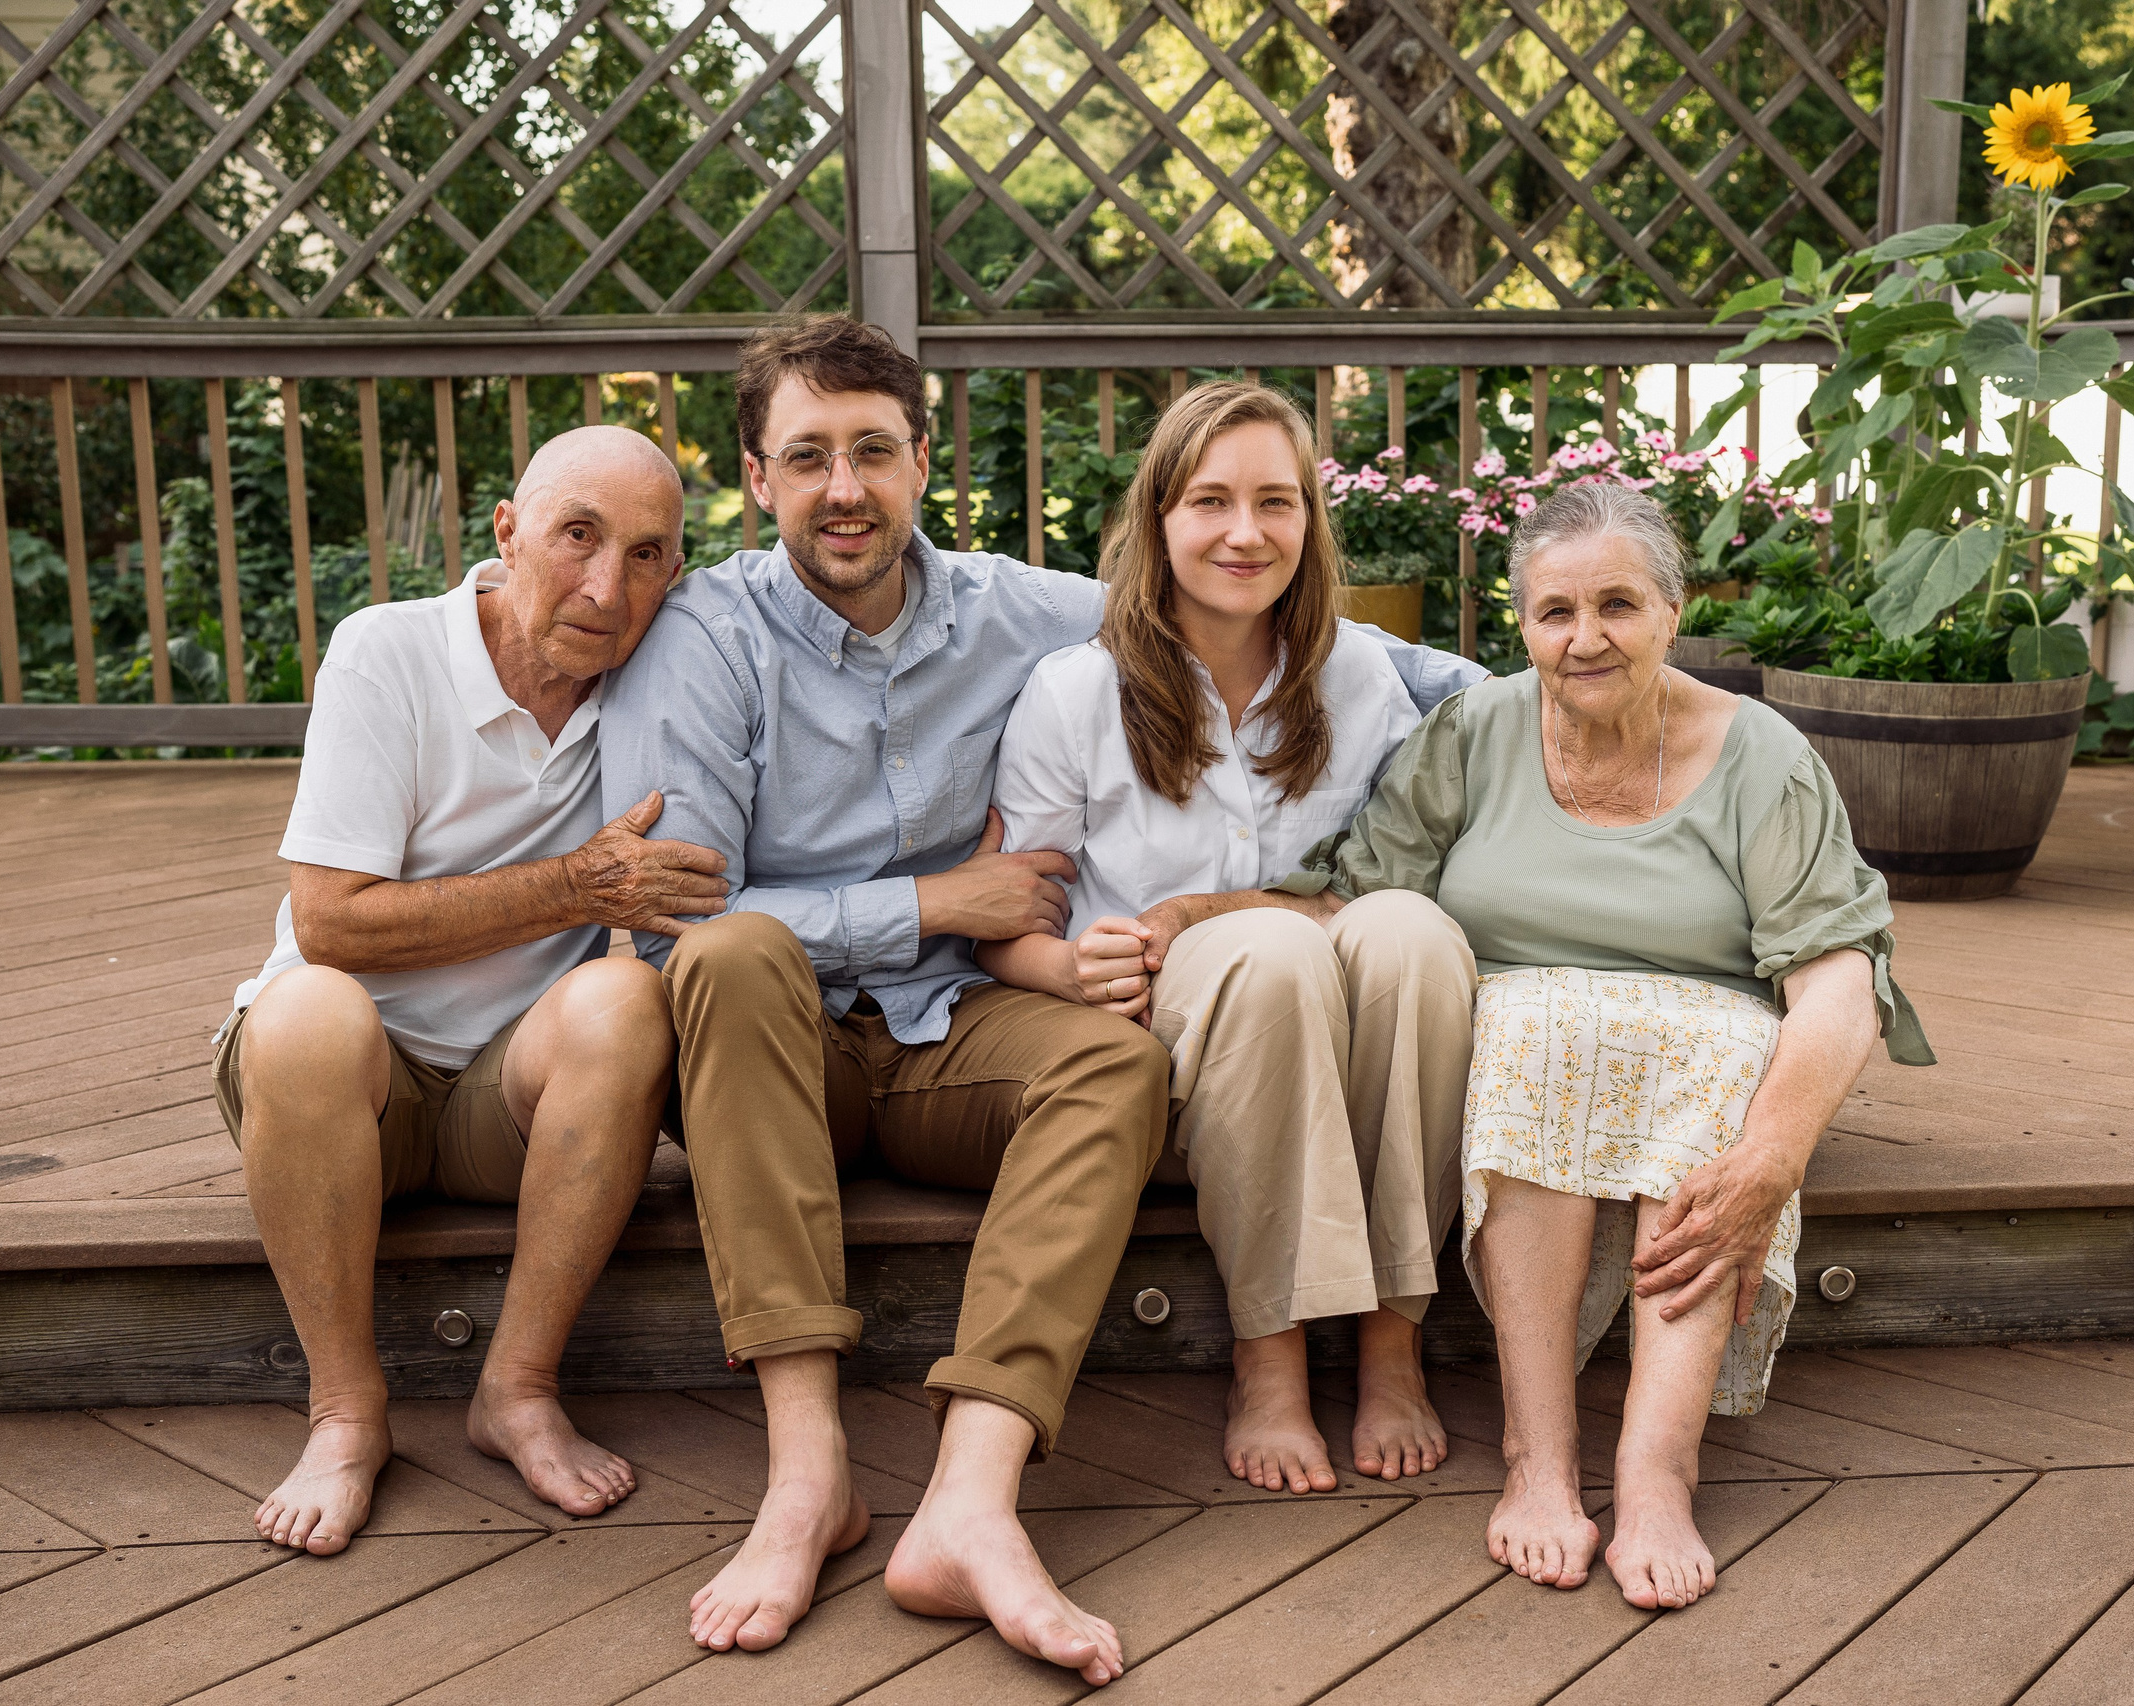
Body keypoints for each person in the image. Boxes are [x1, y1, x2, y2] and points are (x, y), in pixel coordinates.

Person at [600, 317, 1478, 1685]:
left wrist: (1585, 685)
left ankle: (971, 1495)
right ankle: (806, 1475)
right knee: (733, 954)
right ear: (757, 476)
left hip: (956, 1028)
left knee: (1115, 1062)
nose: (846, 487)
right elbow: (684, 919)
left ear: (922, 460)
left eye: (874, 450)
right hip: (777, 1051)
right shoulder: (704, 637)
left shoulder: (1021, 608)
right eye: (809, 456)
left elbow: (1260, 616)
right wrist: (936, 902)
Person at [1278, 481, 1933, 1613]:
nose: (1585, 637)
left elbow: (1838, 977)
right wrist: (1189, 924)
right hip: (1520, 1042)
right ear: (1523, 625)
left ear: (1675, 614)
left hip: (1705, 1056)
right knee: (1539, 1028)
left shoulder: (1762, 756)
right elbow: (1358, 899)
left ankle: (1657, 1470)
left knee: (1726, 1049)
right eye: (1556, 612)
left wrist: (1774, 1156)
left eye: (1618, 605)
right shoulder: (1472, 732)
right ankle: (1537, 1457)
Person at [220, 426, 731, 1556]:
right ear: (507, 532)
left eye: (647, 555)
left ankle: (518, 1388)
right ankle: (346, 1412)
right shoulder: (387, 650)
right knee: (306, 1009)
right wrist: (574, 887)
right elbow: (330, 922)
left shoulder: (664, 679)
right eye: (577, 536)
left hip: (511, 1097)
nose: (607, 588)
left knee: (625, 1002)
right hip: (342, 1089)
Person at [981, 381, 1475, 1500]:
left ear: (1309, 521)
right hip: (1178, 1049)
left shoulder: (1357, 675)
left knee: (1413, 934)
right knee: (1272, 953)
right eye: (1210, 500)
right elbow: (1005, 929)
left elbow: (1402, 874)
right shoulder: (1077, 691)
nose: (1245, 533)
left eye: (1274, 502)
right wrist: (1067, 966)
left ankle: (1394, 1336)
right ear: (1158, 519)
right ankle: (1272, 1349)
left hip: (1337, 1030)